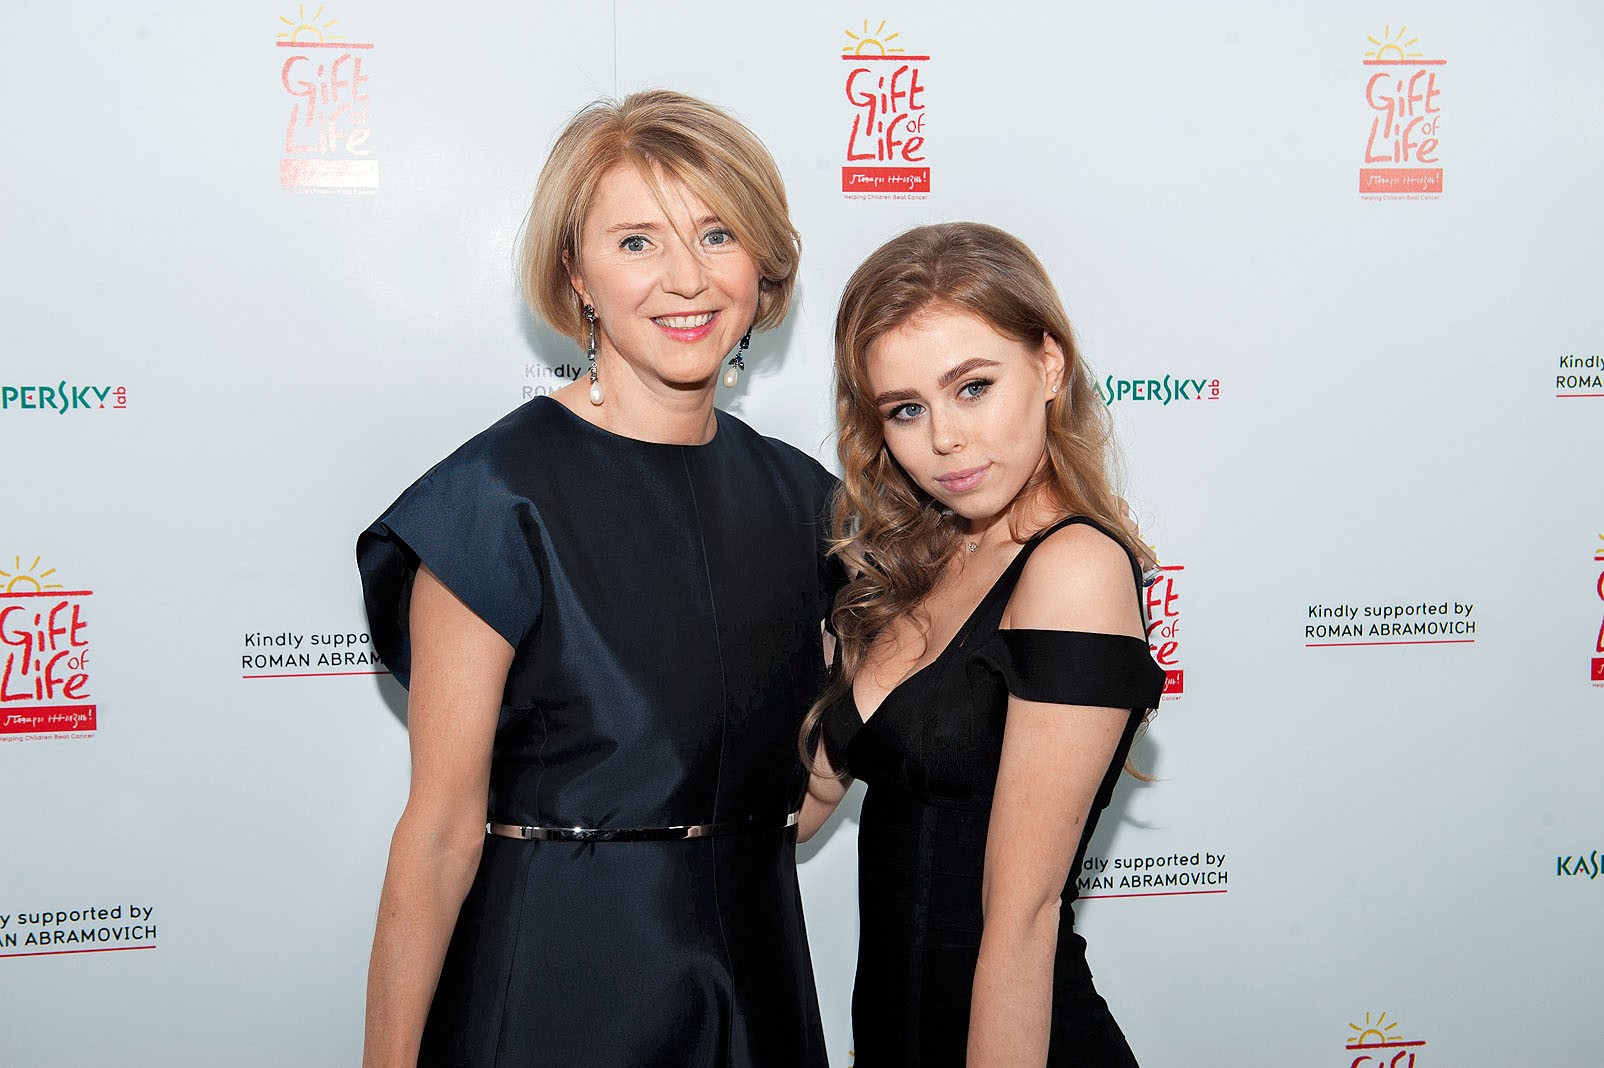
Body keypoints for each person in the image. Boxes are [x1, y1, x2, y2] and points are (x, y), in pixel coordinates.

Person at [356, 91, 834, 1068]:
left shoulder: (808, 504)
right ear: (576, 274)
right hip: (559, 991)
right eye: (637, 242)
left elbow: (807, 794)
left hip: (757, 992)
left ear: (761, 263)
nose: (686, 278)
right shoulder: (494, 502)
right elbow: (440, 835)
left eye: (716, 234)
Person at [798, 222, 1165, 1067]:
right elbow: (803, 809)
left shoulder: (1074, 567)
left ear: (1050, 364)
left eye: (972, 387)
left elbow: (1022, 919)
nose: (944, 439)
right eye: (906, 409)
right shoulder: (915, 563)